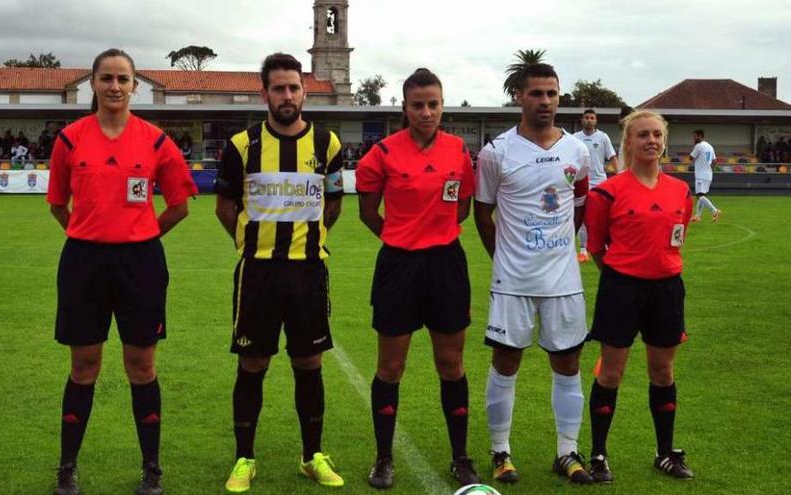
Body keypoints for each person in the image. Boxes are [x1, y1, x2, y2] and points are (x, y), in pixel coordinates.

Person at [46, 48, 197, 495]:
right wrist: (88, 232)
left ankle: (152, 468)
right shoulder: (70, 139)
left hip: (141, 264)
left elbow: (180, 205)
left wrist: (141, 235)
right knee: (84, 366)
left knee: (141, 365)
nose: (115, 86)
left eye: (123, 79)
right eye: (106, 78)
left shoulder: (155, 141)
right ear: (92, 83)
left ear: (135, 87)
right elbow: (58, 204)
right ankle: (67, 467)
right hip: (84, 263)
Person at [214, 52, 345, 493]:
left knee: (309, 362)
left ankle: (312, 456)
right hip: (258, 273)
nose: (287, 95)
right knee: (253, 363)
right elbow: (225, 206)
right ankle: (244, 459)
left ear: (304, 91)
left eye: (293, 87)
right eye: (278, 88)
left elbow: (334, 202)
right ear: (264, 92)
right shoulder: (241, 145)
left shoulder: (328, 144)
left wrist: (310, 237)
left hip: (308, 271)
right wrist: (255, 241)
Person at [356, 68, 479, 489]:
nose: (426, 112)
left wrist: (432, 235)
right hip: (398, 267)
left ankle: (461, 457)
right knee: (391, 366)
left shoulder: (459, 150)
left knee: (451, 363)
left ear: (442, 105)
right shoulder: (383, 153)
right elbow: (368, 212)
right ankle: (383, 458)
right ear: (404, 107)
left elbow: (461, 207)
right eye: (417, 105)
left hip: (446, 265)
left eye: (433, 104)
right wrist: (401, 238)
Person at [474, 62, 593, 485]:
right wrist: (504, 258)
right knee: (506, 361)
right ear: (519, 97)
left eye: (552, 93)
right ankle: (501, 451)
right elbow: (483, 214)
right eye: (536, 93)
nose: (545, 101)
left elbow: (579, 205)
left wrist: (559, 248)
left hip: (562, 280)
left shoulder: (577, 151)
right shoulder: (497, 152)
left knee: (568, 362)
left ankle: (567, 451)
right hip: (513, 281)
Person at [584, 110, 695, 482]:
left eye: (657, 135)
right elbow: (597, 246)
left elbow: (677, 240)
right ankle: (598, 454)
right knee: (611, 373)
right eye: (642, 135)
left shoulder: (680, 191)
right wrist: (622, 276)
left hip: (667, 288)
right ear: (628, 143)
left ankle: (665, 452)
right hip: (621, 288)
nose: (651, 141)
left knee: (662, 371)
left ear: (664, 142)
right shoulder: (608, 192)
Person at [573, 109, 617, 263]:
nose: (589, 120)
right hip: (582, 181)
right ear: (582, 120)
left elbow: (612, 156)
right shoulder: (575, 138)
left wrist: (618, 176)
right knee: (583, 215)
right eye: (587, 117)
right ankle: (583, 251)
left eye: (592, 118)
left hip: (600, 181)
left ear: (596, 120)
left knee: (604, 216)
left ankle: (609, 246)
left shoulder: (603, 137)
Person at [690, 129, 721, 222]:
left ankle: (715, 210)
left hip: (701, 175)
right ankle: (697, 216)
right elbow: (715, 161)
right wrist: (709, 169)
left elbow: (691, 157)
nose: (694, 138)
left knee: (699, 196)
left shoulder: (699, 146)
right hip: (708, 174)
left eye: (695, 136)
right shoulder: (710, 146)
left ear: (700, 136)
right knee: (702, 195)